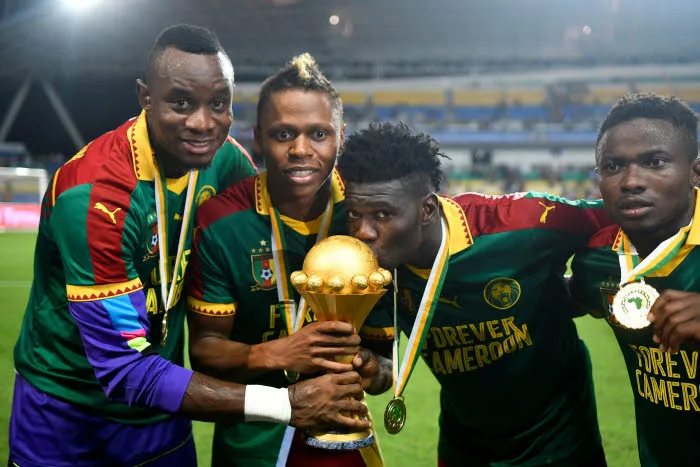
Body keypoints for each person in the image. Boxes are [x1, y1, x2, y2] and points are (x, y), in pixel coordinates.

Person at [9, 25, 370, 467]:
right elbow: (122, 370)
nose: (202, 123)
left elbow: (282, 213)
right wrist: (285, 404)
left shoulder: (225, 160)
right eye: (181, 103)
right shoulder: (95, 197)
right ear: (145, 97)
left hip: (160, 406)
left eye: (218, 103)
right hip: (65, 408)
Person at [337, 121, 611, 466]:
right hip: (463, 443)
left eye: (382, 214)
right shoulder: (370, 267)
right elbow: (384, 367)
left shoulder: (519, 224)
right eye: (354, 214)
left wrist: (588, 283)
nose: (363, 232)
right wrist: (373, 369)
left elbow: (617, 218)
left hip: (556, 439)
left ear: (427, 210)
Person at [186, 53, 391, 467]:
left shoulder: (367, 217)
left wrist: (370, 368)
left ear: (341, 137)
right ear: (258, 139)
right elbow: (205, 350)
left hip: (343, 438)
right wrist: (280, 354)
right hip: (253, 442)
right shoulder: (222, 222)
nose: (301, 149)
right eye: (283, 134)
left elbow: (384, 363)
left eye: (319, 134)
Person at [569, 93, 700, 466]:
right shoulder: (598, 260)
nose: (630, 181)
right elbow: (562, 298)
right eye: (612, 167)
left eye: (654, 162)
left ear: (695, 172)